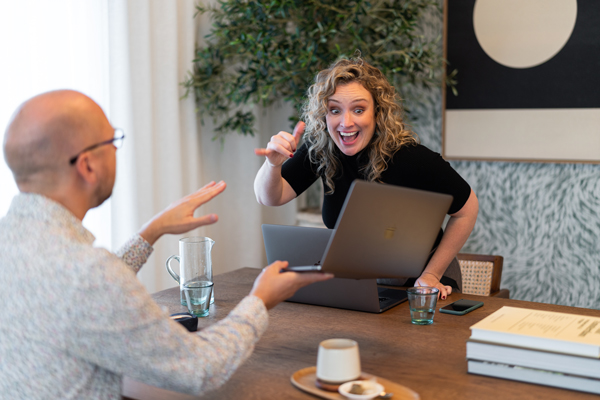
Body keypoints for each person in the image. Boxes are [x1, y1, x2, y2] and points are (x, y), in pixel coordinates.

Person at [0, 90, 332, 399]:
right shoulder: (87, 273)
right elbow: (197, 368)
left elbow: (74, 293)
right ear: (87, 165)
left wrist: (150, 233)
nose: (117, 149)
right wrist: (260, 300)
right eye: (112, 140)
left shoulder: (17, 241)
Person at [254, 57, 478, 299]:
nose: (346, 123)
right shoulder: (320, 149)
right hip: (362, 281)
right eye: (335, 110)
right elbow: (269, 197)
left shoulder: (412, 157)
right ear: (323, 115)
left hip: (424, 280)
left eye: (358, 109)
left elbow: (467, 210)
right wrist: (272, 164)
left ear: (377, 112)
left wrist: (432, 273)